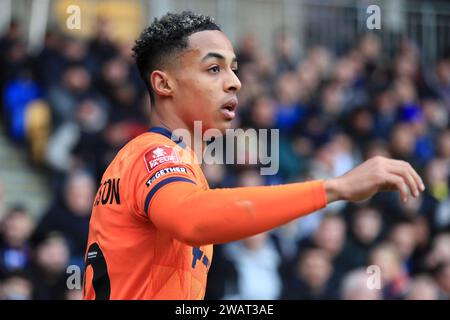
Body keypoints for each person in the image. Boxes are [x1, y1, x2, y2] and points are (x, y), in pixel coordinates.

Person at [83, 11, 425, 300]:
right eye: (214, 69)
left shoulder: (166, 165)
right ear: (164, 84)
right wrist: (333, 189)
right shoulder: (155, 154)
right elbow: (193, 220)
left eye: (234, 69)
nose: (235, 82)